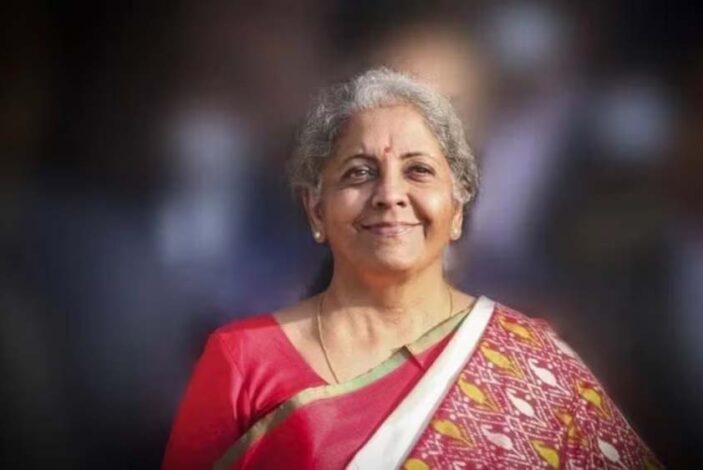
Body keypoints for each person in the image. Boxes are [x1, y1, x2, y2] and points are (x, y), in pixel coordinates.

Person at [162, 68, 661, 469]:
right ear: (316, 210)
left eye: (419, 170)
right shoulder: (243, 362)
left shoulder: (535, 363)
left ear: (458, 208)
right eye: (359, 172)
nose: (390, 195)